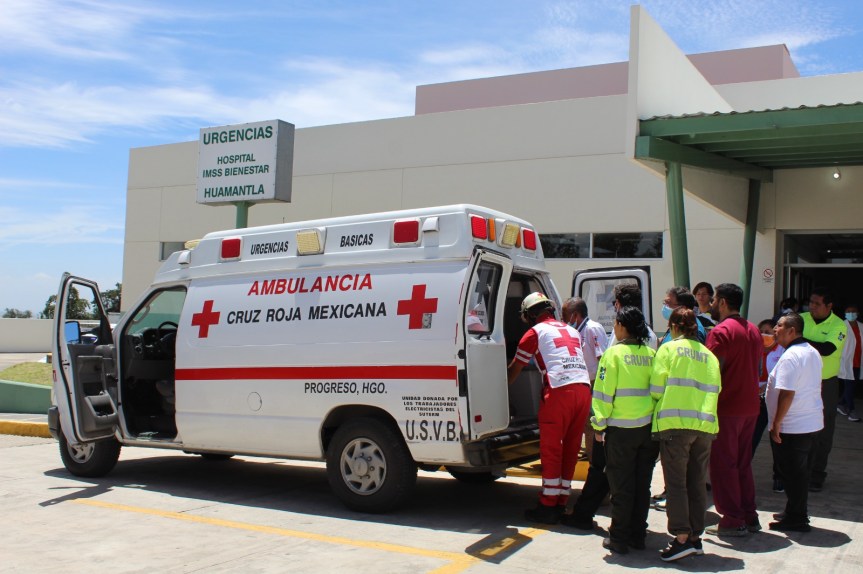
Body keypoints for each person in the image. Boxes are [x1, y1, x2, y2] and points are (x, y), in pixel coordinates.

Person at [565, 283, 656, 531]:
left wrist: (599, 424)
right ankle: (636, 530)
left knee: (606, 471)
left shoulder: (618, 343)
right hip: (645, 422)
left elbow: (606, 388)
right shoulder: (650, 341)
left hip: (618, 422)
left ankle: (606, 526)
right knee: (637, 481)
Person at [507, 292, 591, 524]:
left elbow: (516, 368)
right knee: (571, 448)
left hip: (559, 391)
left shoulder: (534, 333)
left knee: (552, 450)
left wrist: (500, 390)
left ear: (531, 314)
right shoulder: (572, 330)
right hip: (583, 391)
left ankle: (547, 505)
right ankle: (562, 500)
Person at [650, 307, 721, 561]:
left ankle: (680, 538)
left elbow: (656, 389)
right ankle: (695, 538)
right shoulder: (709, 356)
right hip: (704, 428)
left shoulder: (668, 349)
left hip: (675, 426)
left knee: (677, 485)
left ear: (674, 327)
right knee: (697, 483)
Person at [589, 306, 657, 554]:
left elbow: (603, 394)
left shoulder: (613, 355)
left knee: (621, 486)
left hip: (621, 431)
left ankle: (618, 538)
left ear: (621, 326)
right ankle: (638, 536)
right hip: (648, 431)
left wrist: (598, 425)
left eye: (616, 323)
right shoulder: (651, 354)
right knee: (642, 486)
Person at [705, 283, 763, 537]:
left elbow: (710, 370)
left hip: (727, 406)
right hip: (750, 406)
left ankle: (732, 518)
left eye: (714, 300)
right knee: (742, 463)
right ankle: (749, 514)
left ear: (724, 302)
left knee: (723, 464)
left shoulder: (720, 332)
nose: (711, 305)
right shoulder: (753, 330)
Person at [767, 313, 824, 533]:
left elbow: (787, 393)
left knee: (792, 474)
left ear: (792, 331)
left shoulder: (792, 356)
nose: (775, 329)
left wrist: (777, 423)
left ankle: (798, 518)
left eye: (780, 326)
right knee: (799, 473)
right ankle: (794, 510)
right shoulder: (811, 352)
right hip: (810, 423)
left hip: (793, 426)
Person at [801, 287, 847, 491]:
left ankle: (817, 474)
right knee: (798, 428)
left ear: (829, 306)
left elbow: (827, 349)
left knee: (822, 431)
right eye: (810, 302)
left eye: (817, 304)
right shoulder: (801, 318)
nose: (812, 307)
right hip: (801, 382)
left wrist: (798, 341)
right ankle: (796, 472)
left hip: (825, 384)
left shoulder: (838, 325)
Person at [562, 297, 608, 461]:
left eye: (566, 315)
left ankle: (595, 459)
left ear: (575, 315)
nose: (564, 319)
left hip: (594, 382)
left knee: (592, 423)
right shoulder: (577, 331)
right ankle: (591, 455)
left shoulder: (591, 329)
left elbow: (601, 357)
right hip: (583, 382)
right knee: (584, 423)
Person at [753, 319, 785, 493]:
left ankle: (779, 476)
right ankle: (742, 474)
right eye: (761, 330)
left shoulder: (782, 351)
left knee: (777, 440)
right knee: (751, 439)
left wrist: (767, 386)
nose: (764, 334)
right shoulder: (752, 350)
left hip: (773, 400)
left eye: (768, 331)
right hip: (755, 400)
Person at [838, 304, 861, 423]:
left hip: (858, 361)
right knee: (849, 386)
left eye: (853, 311)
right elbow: (838, 342)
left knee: (852, 385)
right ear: (845, 314)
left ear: (858, 313)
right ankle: (851, 410)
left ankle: (841, 404)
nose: (851, 313)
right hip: (846, 361)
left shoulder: (861, 326)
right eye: (848, 311)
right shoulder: (841, 326)